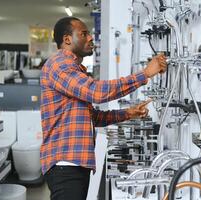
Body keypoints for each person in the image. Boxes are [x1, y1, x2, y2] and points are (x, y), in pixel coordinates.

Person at [40, 17, 167, 200]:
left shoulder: (74, 68)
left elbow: (93, 118)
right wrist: (144, 74)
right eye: (84, 34)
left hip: (74, 163)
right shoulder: (60, 65)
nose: (91, 38)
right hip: (65, 164)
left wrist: (128, 113)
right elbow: (97, 92)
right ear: (67, 39)